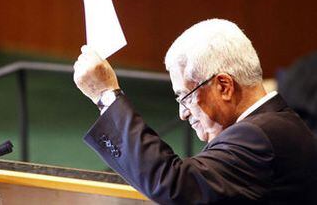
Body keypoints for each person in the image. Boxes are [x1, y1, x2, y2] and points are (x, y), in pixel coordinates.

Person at [73, 19, 317, 204]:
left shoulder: (258, 137)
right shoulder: (277, 125)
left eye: (185, 97)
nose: (182, 113)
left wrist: (106, 95)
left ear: (224, 86)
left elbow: (174, 184)